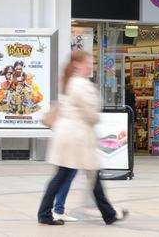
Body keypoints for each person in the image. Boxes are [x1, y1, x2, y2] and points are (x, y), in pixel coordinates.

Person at [38, 50, 128, 225]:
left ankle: (108, 214)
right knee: (72, 176)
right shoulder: (79, 84)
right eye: (88, 63)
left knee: (81, 176)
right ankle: (45, 213)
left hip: (73, 137)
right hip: (76, 139)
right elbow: (92, 113)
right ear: (78, 64)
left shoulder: (73, 82)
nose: (91, 66)